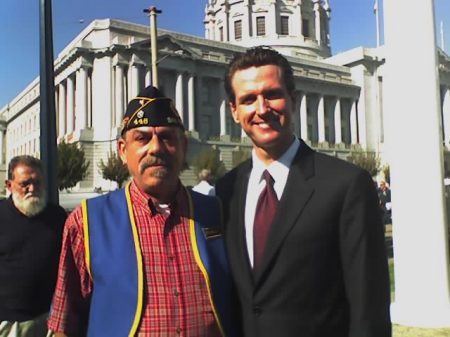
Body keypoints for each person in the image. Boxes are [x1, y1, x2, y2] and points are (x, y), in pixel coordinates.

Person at [215, 46, 391, 337]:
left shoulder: (346, 185)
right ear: (234, 111)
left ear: (293, 100)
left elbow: (369, 308)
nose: (261, 109)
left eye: (272, 94)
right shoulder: (227, 190)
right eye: (248, 99)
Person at [48, 86, 239, 337]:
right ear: (122, 150)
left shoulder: (215, 212)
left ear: (183, 146)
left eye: (168, 137)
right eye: (142, 138)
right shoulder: (87, 222)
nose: (156, 148)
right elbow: (64, 322)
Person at [0, 155, 67, 337]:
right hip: (9, 324)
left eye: (38, 182)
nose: (32, 189)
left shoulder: (57, 217)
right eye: (25, 184)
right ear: (9, 185)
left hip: (50, 321)